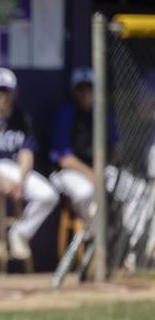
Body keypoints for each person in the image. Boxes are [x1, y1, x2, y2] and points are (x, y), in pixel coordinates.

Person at [0, 67, 58, 261]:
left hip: (16, 169)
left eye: (6, 92)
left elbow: (27, 153)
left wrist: (21, 180)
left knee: (49, 195)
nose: (3, 97)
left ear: (14, 93)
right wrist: (2, 180)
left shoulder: (22, 118)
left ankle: (20, 233)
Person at [49, 68, 117, 224]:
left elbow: (114, 147)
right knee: (85, 192)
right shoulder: (64, 115)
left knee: (135, 190)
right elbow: (65, 160)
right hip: (68, 172)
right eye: (81, 88)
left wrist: (106, 167)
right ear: (73, 91)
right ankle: (96, 236)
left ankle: (132, 242)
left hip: (100, 170)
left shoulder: (104, 115)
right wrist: (93, 175)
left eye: (90, 87)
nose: (86, 92)